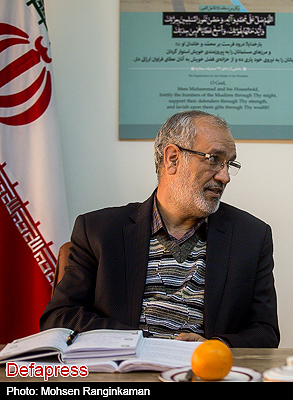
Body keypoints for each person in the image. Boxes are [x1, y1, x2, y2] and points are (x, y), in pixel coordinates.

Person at [40, 110, 279, 348]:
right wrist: (140, 344)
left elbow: (265, 332)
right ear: (172, 159)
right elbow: (60, 316)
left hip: (203, 367)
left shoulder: (251, 237)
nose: (225, 176)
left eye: (229, 163)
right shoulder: (99, 231)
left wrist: (214, 346)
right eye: (214, 159)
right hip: (125, 368)